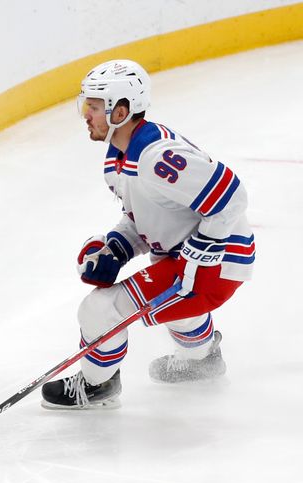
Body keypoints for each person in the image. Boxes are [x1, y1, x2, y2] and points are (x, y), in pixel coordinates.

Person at [41, 59, 255, 409]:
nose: (85, 114)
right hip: (188, 259)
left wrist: (203, 248)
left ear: (121, 111)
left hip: (217, 263)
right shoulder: (119, 157)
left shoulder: (157, 156)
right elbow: (148, 220)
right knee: (178, 305)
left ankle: (97, 386)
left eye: (93, 107)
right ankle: (202, 360)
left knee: (100, 310)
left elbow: (232, 196)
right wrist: (117, 247)